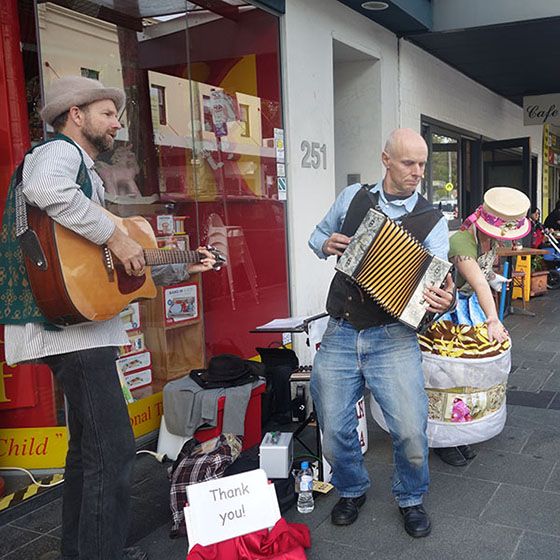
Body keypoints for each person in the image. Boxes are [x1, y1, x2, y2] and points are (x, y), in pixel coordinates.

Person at [0, 76, 216, 560]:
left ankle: (81, 551)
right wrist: (115, 237)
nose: (117, 123)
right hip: (71, 336)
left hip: (77, 330)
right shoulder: (59, 154)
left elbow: (104, 272)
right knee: (113, 452)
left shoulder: (87, 173)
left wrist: (178, 263)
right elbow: (44, 188)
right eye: (107, 113)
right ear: (75, 115)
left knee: (87, 453)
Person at [308, 128, 454, 538]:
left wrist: (445, 296)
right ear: (385, 159)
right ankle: (352, 489)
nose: (418, 173)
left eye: (423, 164)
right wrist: (327, 244)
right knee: (333, 427)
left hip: (393, 336)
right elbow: (315, 236)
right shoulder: (354, 199)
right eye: (409, 163)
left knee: (409, 429)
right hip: (340, 330)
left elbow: (439, 277)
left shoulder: (432, 219)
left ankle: (411, 498)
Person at [420, 187, 530, 467]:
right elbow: (476, 282)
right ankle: (441, 440)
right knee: (445, 376)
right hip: (448, 311)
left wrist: (495, 279)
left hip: (470, 309)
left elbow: (483, 275)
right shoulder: (461, 242)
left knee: (468, 376)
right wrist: (493, 319)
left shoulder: (488, 240)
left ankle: (459, 433)